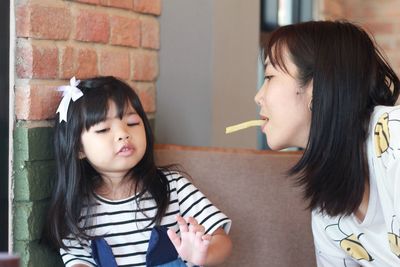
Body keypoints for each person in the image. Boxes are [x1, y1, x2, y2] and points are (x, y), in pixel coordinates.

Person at [254, 20, 400, 267]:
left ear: (316, 87)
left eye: (269, 76)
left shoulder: (394, 138)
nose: (258, 96)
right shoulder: (327, 205)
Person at [44, 76, 232, 267]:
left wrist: (203, 254)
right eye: (103, 129)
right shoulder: (77, 208)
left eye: (132, 123)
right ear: (78, 148)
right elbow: (78, 262)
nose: (123, 134)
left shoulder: (174, 187)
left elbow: (221, 239)